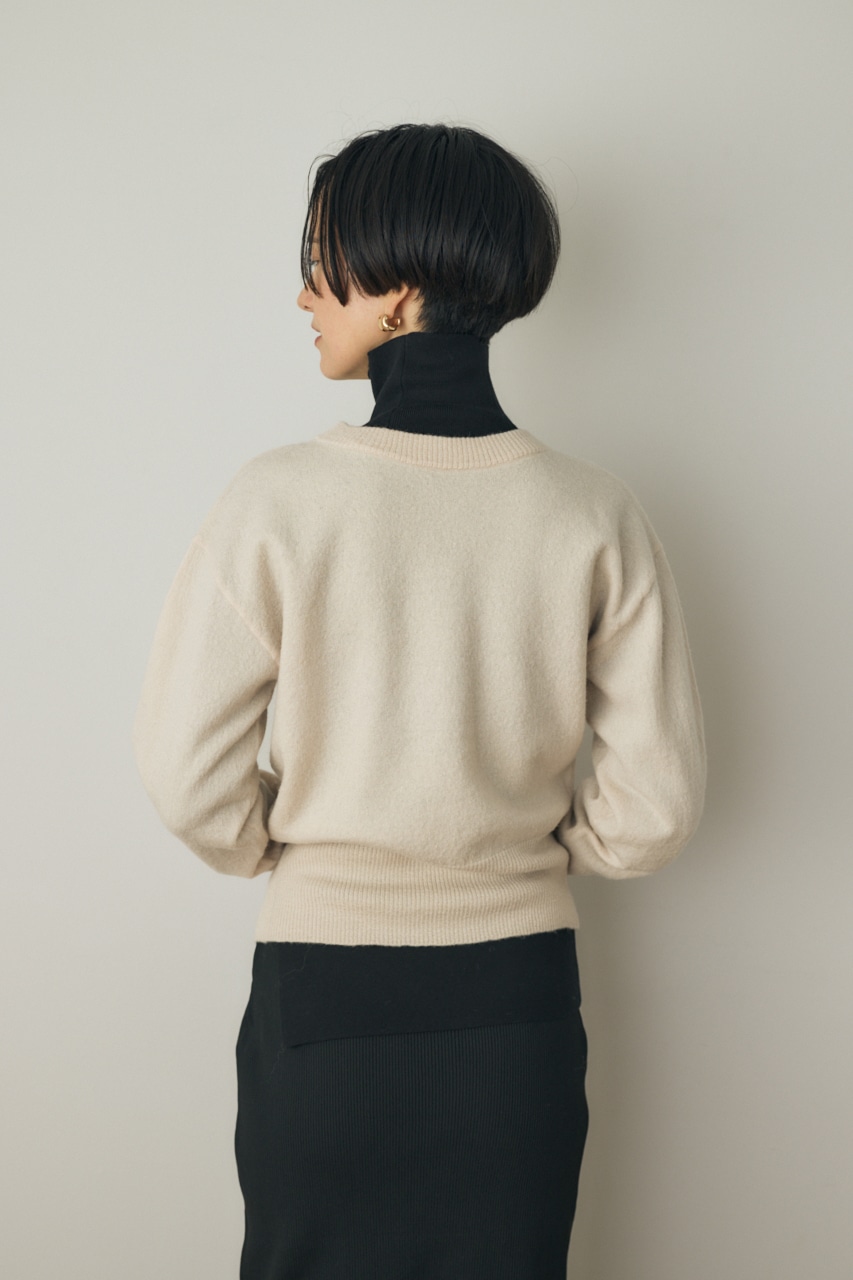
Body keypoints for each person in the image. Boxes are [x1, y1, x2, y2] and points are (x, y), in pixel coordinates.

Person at [132, 121, 707, 1279]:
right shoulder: (593, 512)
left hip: (324, 994)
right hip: (516, 998)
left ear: (397, 292)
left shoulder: (277, 501)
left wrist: (291, 848)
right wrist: (519, 848)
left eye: (321, 262)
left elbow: (185, 776)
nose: (304, 293)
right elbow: (655, 808)